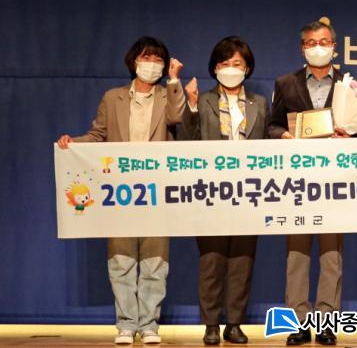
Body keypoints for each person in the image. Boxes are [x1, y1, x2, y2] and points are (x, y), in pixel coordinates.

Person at [56, 36, 186, 345]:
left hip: (156, 189)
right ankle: (126, 324)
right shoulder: (113, 97)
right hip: (119, 190)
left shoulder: (167, 94)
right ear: (133, 61)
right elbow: (99, 134)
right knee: (121, 258)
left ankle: (150, 324)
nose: (151, 64)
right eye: (146, 58)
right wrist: (73, 142)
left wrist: (174, 80)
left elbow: (177, 118)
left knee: (155, 260)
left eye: (158, 59)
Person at [182, 36, 268, 345]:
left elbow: (268, 148)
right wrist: (191, 106)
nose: (231, 69)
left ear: (247, 68)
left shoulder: (260, 103)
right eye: (224, 63)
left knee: (242, 262)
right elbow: (186, 142)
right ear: (215, 68)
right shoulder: (203, 100)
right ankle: (210, 325)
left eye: (237, 64)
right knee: (212, 261)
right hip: (211, 192)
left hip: (249, 193)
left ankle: (234, 323)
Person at [267, 18, 348, 346]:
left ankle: (327, 322)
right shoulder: (286, 83)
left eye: (324, 42)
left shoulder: (349, 84)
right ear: (303, 48)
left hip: (336, 181)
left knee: (332, 255)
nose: (318, 48)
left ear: (334, 46)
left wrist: (350, 136)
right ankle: (298, 323)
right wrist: (284, 135)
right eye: (312, 42)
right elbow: (272, 125)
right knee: (297, 255)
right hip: (297, 183)